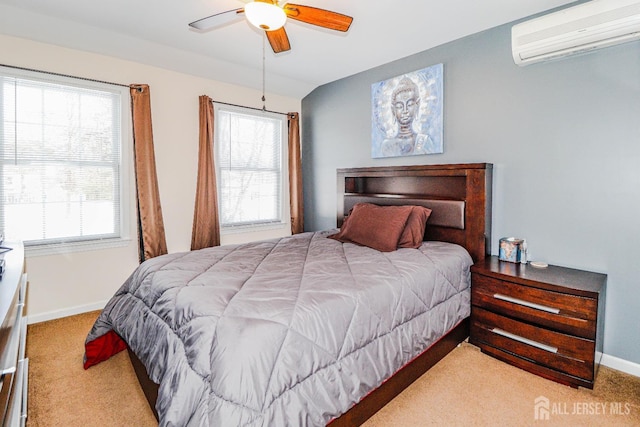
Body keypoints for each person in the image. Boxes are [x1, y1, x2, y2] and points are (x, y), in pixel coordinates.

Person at [380, 77, 434, 157]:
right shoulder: (386, 145)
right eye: (399, 106)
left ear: (417, 105)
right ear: (393, 109)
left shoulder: (424, 141)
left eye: (409, 105)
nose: (405, 110)